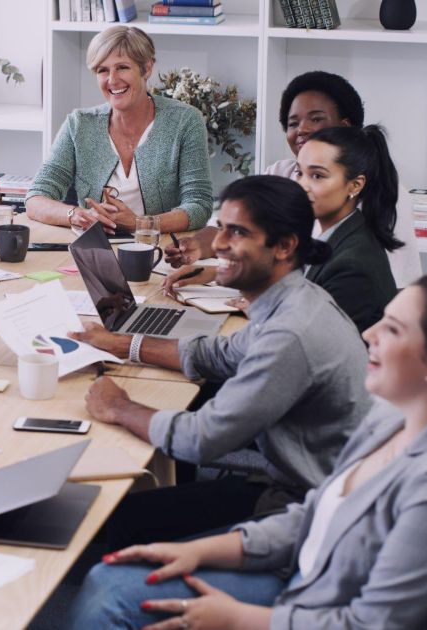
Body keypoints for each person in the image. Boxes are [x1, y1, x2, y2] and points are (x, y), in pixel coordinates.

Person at [70, 273, 427, 629]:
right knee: (114, 582)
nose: (369, 334)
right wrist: (199, 550)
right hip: (308, 581)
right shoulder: (389, 419)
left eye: (394, 330)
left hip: (316, 604)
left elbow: (368, 625)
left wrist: (239, 620)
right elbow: (316, 515)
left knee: (110, 596)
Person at [72, 175, 372, 544]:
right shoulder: (296, 300)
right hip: (306, 483)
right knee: (128, 509)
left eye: (237, 232)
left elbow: (201, 439)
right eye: (222, 228)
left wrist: (118, 407)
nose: (218, 244)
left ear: (284, 246)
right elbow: (218, 354)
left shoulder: (290, 334)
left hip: (306, 509)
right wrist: (121, 344)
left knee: (102, 524)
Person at [167, 71, 421, 287]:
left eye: (316, 119)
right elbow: (233, 227)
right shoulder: (281, 172)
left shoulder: (382, 191)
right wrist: (201, 250)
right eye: (293, 123)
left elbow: (374, 283)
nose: (302, 129)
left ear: (345, 127)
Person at [166, 126, 399, 332]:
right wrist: (216, 274)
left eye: (317, 176)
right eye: (300, 172)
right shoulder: (334, 232)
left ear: (355, 185)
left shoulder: (352, 265)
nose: (302, 185)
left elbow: (307, 340)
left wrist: (265, 309)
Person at [26, 25, 213, 234]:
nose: (112, 80)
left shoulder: (185, 121)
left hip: (158, 247)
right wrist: (76, 215)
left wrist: (140, 224)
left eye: (122, 67)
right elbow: (35, 198)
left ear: (147, 68)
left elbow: (199, 205)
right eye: (102, 70)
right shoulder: (78, 125)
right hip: (94, 247)